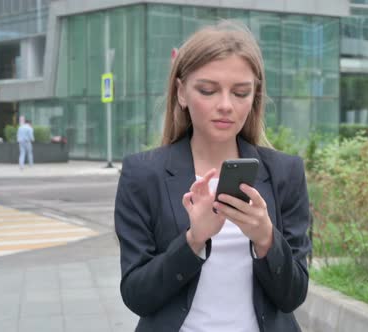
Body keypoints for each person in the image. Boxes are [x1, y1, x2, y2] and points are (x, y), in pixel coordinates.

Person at [114, 21, 311, 332]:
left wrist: (266, 239)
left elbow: (293, 296)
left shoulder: (285, 173)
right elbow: (137, 295)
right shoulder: (143, 174)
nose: (225, 105)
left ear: (254, 96)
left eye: (240, 92)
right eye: (207, 90)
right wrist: (194, 240)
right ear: (181, 92)